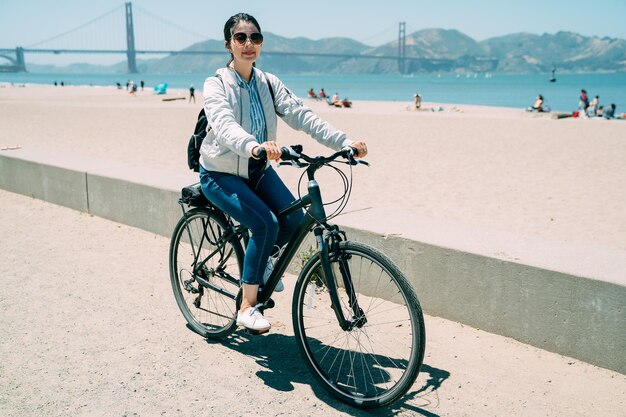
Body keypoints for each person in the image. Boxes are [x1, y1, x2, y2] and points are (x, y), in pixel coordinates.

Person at [199, 13, 368, 333]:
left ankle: (261, 264)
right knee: (265, 223)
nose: (249, 44)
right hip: (220, 173)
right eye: (241, 38)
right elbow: (223, 126)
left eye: (255, 38)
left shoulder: (267, 83)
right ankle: (247, 307)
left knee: (292, 222)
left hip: (257, 168)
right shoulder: (216, 83)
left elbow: (304, 117)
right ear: (229, 44)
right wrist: (254, 146)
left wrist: (344, 142)